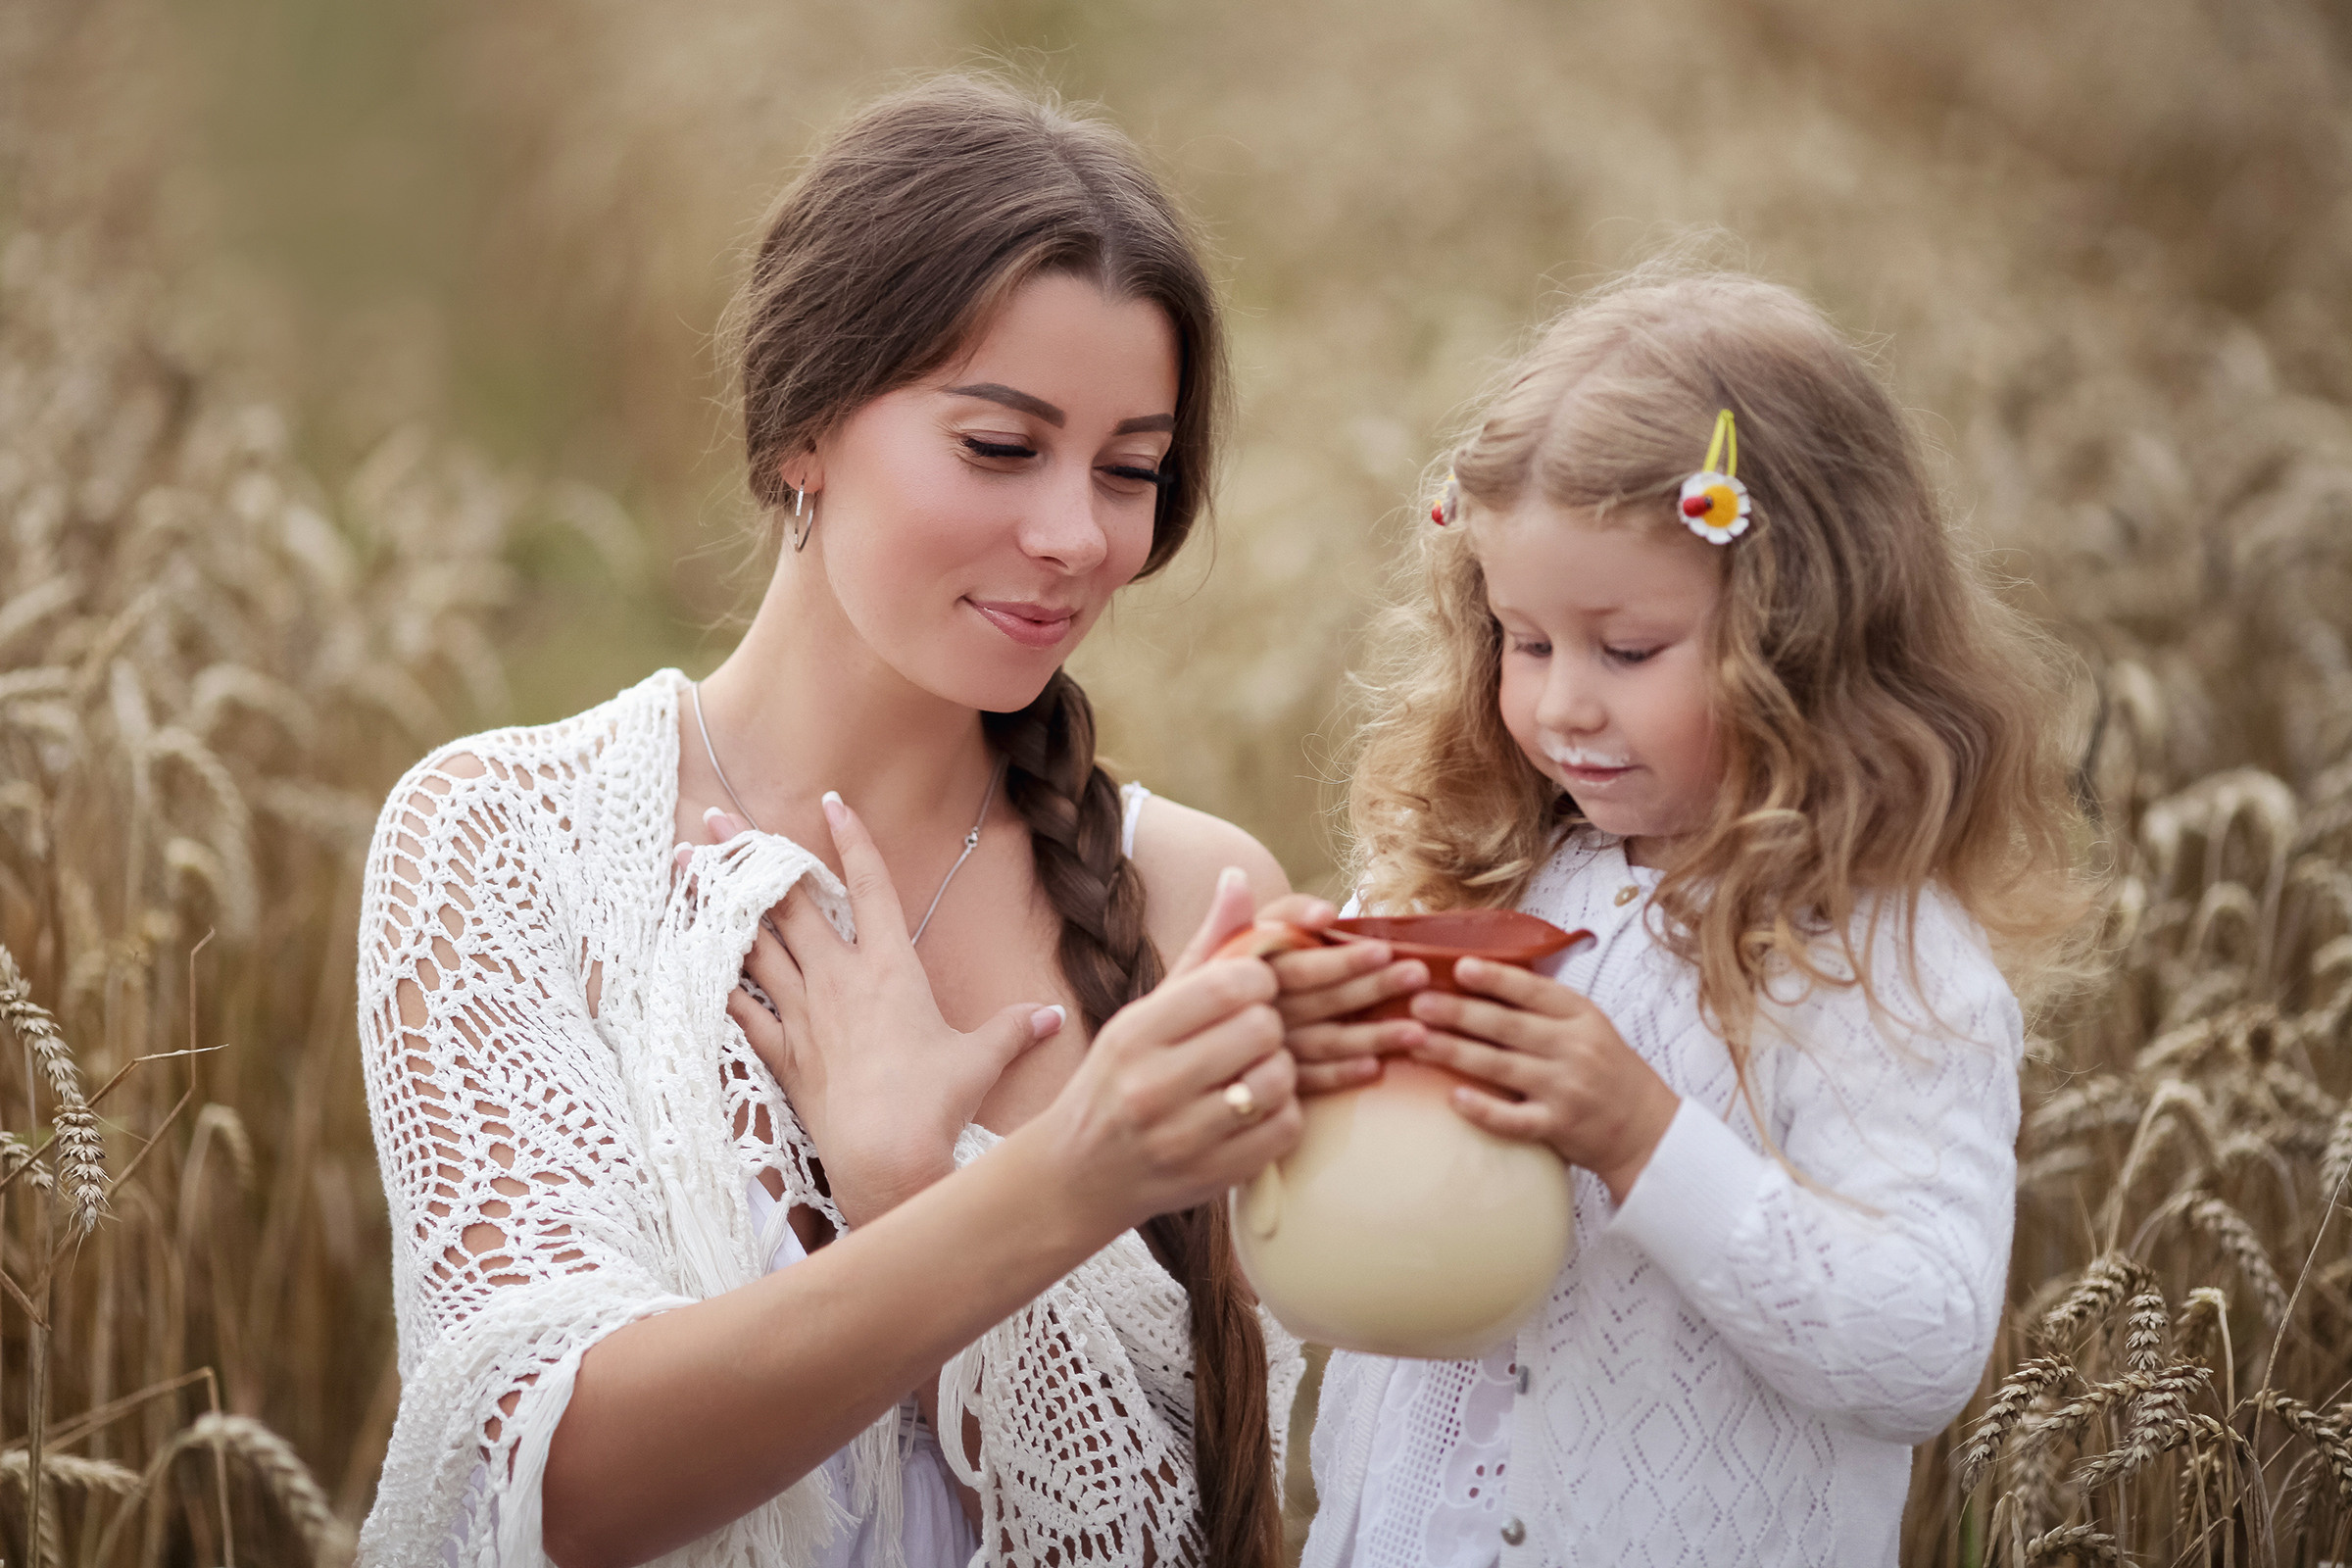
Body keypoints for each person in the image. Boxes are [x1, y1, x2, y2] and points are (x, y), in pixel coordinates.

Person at [354, 77, 1326, 1568]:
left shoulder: (1192, 894)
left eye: (1130, 471)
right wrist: (1058, 1186)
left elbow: (1194, 1526)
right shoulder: (505, 840)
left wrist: (900, 1190)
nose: (1076, 536)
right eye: (1002, 448)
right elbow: (552, 1483)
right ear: (805, 426)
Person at [1273, 269, 2087, 1566]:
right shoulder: (1479, 874)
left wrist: (1641, 1136)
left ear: (1803, 635)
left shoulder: (1878, 960)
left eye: (1627, 649)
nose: (1561, 708)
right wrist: (1297, 1031)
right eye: (1523, 642)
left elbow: (1921, 1348)